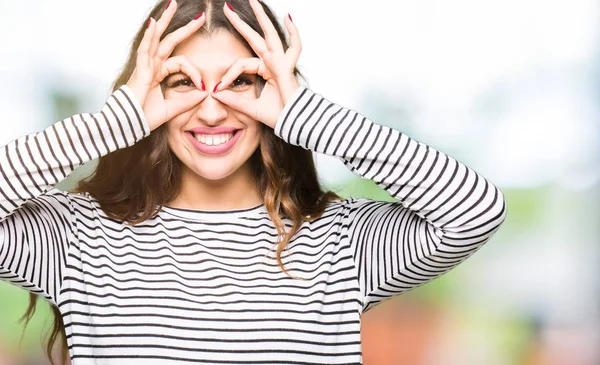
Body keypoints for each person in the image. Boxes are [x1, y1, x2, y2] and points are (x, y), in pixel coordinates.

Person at [0, 0, 507, 364]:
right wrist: (113, 124)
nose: (214, 109)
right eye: (183, 83)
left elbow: (476, 210)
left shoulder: (341, 241)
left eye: (241, 81)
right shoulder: (77, 236)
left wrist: (308, 116)